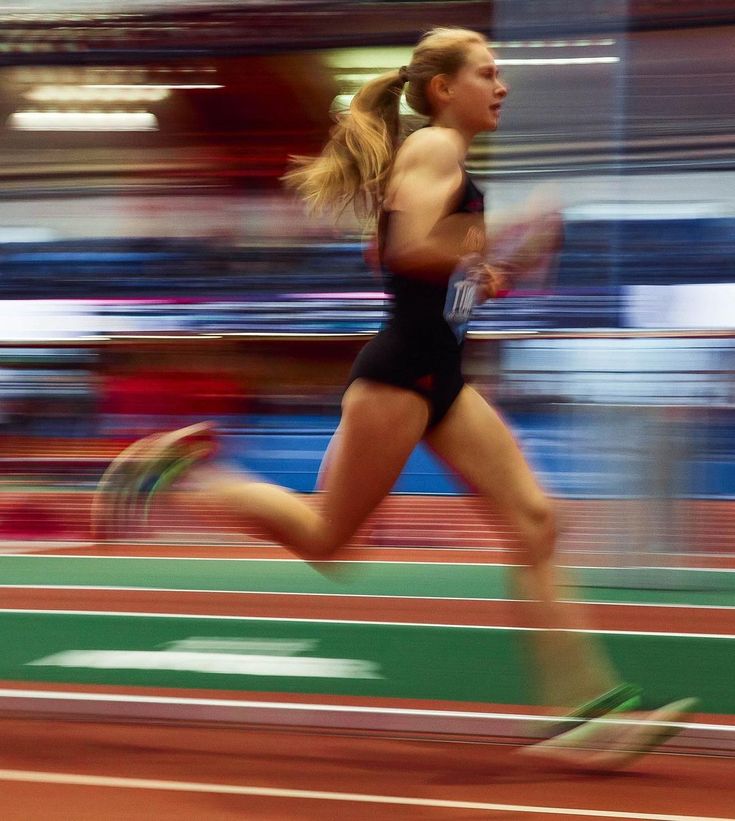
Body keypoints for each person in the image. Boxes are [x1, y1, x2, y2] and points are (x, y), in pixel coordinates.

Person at [94, 27, 695, 767]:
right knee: (327, 539)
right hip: (402, 375)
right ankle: (180, 476)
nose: (501, 85)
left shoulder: (439, 155)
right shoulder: (436, 147)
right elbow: (410, 246)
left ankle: (579, 709)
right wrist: (505, 233)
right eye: (487, 72)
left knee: (537, 521)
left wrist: (493, 268)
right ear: (444, 89)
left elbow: (386, 254)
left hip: (438, 376)